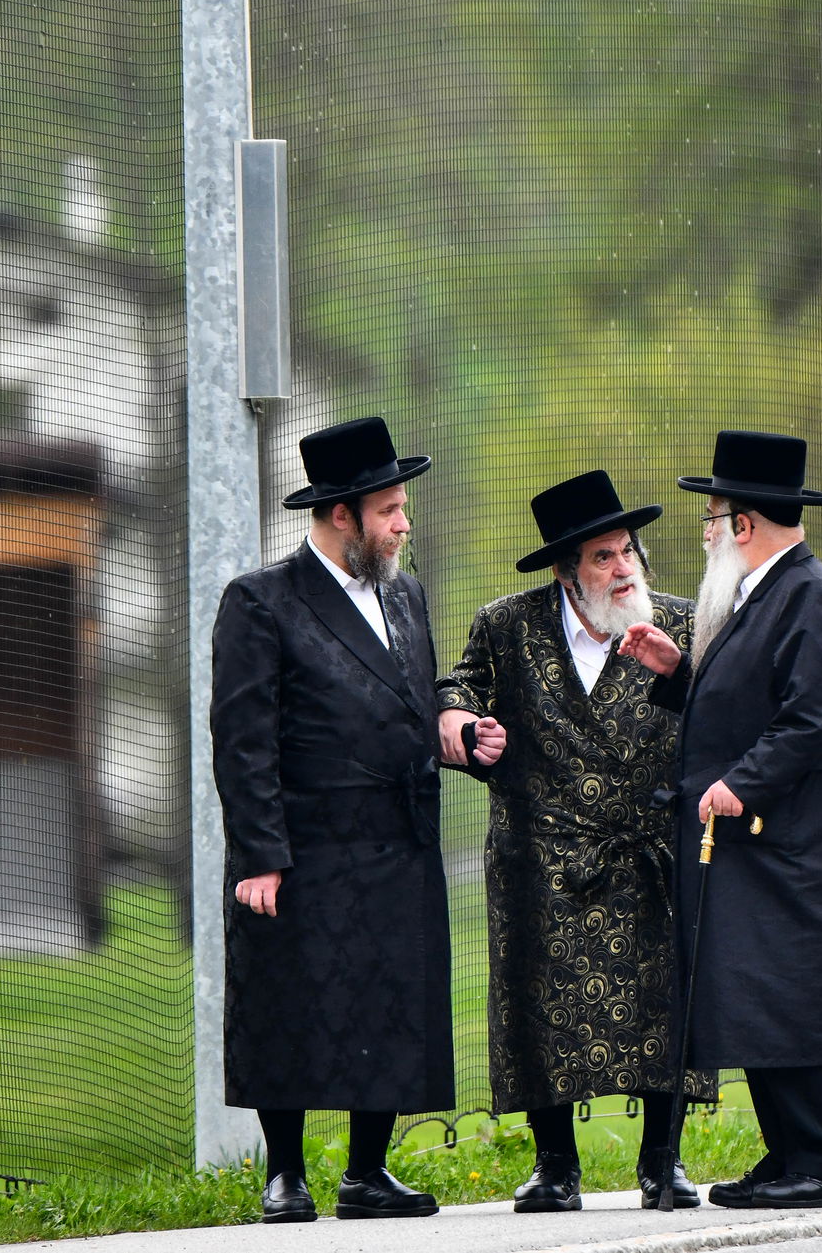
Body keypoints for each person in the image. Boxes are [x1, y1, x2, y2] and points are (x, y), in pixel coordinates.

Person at [211, 415, 506, 1223]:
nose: (404, 522)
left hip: (398, 841)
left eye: (401, 506)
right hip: (305, 847)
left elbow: (413, 697)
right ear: (342, 514)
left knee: (391, 1001)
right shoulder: (261, 601)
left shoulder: (404, 592)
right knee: (292, 1002)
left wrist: (455, 727)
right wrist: (259, 854)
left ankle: (368, 1173)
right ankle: (287, 1173)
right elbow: (242, 742)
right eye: (389, 509)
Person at [437, 469, 711, 1216]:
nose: (623, 568)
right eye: (602, 556)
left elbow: (725, 714)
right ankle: (554, 1164)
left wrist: (681, 671)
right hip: (546, 860)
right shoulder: (508, 625)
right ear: (565, 568)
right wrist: (466, 732)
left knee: (663, 1002)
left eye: (628, 551)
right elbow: (454, 691)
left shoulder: (681, 626)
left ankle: (663, 1161)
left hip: (647, 850)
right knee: (539, 1004)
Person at [621, 430, 822, 1213]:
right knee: (761, 994)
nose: (703, 530)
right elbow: (751, 699)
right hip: (760, 843)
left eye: (711, 514)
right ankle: (787, 1154)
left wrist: (742, 783)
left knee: (798, 993)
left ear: (743, 524)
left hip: (799, 841)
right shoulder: (763, 593)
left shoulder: (811, 593)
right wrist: (678, 673)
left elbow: (810, 716)